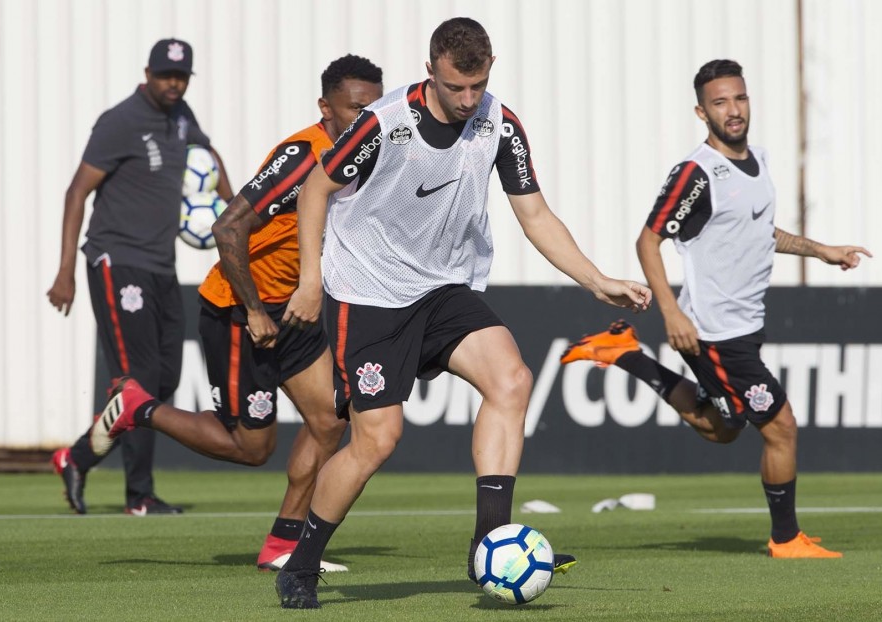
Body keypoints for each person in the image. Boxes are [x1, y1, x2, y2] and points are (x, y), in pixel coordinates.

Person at [273, 18, 652, 609]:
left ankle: (487, 544)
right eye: (457, 88)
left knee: (512, 379)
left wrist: (597, 279)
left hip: (444, 287)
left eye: (478, 86)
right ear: (431, 72)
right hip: (369, 290)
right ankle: (301, 563)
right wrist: (310, 280)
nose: (469, 100)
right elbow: (315, 190)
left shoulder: (499, 124)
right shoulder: (384, 124)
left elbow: (536, 215)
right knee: (378, 439)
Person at [561, 59, 871, 558]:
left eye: (740, 98)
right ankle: (786, 538)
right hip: (713, 330)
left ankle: (623, 353)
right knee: (781, 426)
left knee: (722, 427)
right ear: (701, 112)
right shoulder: (696, 173)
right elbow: (647, 241)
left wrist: (822, 250)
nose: (733, 110)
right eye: (720, 102)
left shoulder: (760, 161)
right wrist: (672, 313)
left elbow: (759, 232)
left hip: (745, 325)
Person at [87, 56, 384, 570]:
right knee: (251, 448)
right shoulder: (301, 155)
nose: (367, 121)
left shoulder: (365, 157)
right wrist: (253, 310)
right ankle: (139, 406)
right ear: (325, 108)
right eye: (355, 109)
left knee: (329, 423)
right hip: (239, 311)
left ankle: (283, 545)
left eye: (374, 109)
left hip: (295, 310)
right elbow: (228, 227)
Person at [47, 38, 233, 516]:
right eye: (165, 75)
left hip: (160, 264)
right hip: (115, 260)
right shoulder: (119, 122)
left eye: (182, 77)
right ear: (147, 73)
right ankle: (139, 495)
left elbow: (208, 159)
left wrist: (235, 212)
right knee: (141, 380)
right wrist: (65, 271)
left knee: (164, 379)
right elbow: (76, 193)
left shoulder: (182, 115)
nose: (173, 84)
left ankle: (78, 457)